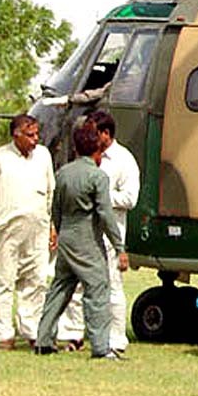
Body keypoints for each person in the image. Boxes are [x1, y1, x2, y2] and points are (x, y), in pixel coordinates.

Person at [34, 122, 128, 359]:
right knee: (97, 291)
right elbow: (106, 214)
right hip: (87, 241)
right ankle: (101, 347)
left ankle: (43, 339)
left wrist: (59, 229)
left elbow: (55, 209)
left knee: (59, 289)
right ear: (96, 149)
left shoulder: (63, 173)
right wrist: (119, 247)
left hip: (66, 238)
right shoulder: (98, 176)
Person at [56, 111, 139, 353]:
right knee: (76, 286)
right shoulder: (83, 157)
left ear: (106, 133)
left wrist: (101, 198)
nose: (90, 136)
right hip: (83, 234)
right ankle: (73, 334)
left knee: (111, 286)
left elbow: (130, 198)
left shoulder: (124, 160)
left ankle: (115, 340)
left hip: (110, 235)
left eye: (94, 132)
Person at [0, 114, 56, 349]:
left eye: (37, 134)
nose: (35, 139)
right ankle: (2, 334)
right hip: (5, 229)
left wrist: (51, 226)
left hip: (37, 228)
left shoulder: (43, 156)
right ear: (16, 135)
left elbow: (50, 193)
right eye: (30, 135)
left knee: (36, 280)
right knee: (1, 281)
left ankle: (32, 330)